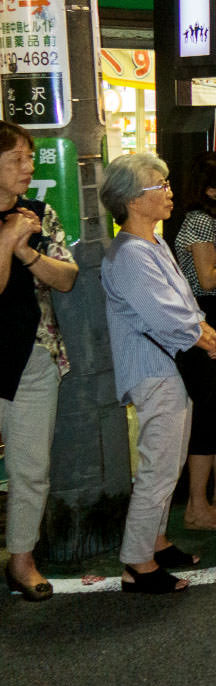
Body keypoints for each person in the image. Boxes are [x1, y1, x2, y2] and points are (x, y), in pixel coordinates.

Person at [100, 153, 216, 592]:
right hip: (153, 369)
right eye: (161, 185)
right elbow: (167, 315)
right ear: (134, 201)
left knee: (167, 463)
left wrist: (208, 334)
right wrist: (211, 340)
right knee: (158, 468)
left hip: (167, 368)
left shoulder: (151, 243)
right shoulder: (131, 253)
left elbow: (185, 305)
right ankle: (137, 562)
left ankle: (154, 542)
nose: (170, 191)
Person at [0, 120, 77, 601]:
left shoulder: (37, 213)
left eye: (30, 158)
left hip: (33, 355)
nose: (28, 168)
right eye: (16, 160)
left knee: (31, 466)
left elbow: (66, 277)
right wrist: (7, 242)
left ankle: (21, 560)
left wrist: (26, 252)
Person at [172, 151, 216, 530]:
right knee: (209, 407)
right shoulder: (198, 221)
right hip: (207, 317)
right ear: (210, 190)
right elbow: (208, 278)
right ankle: (197, 503)